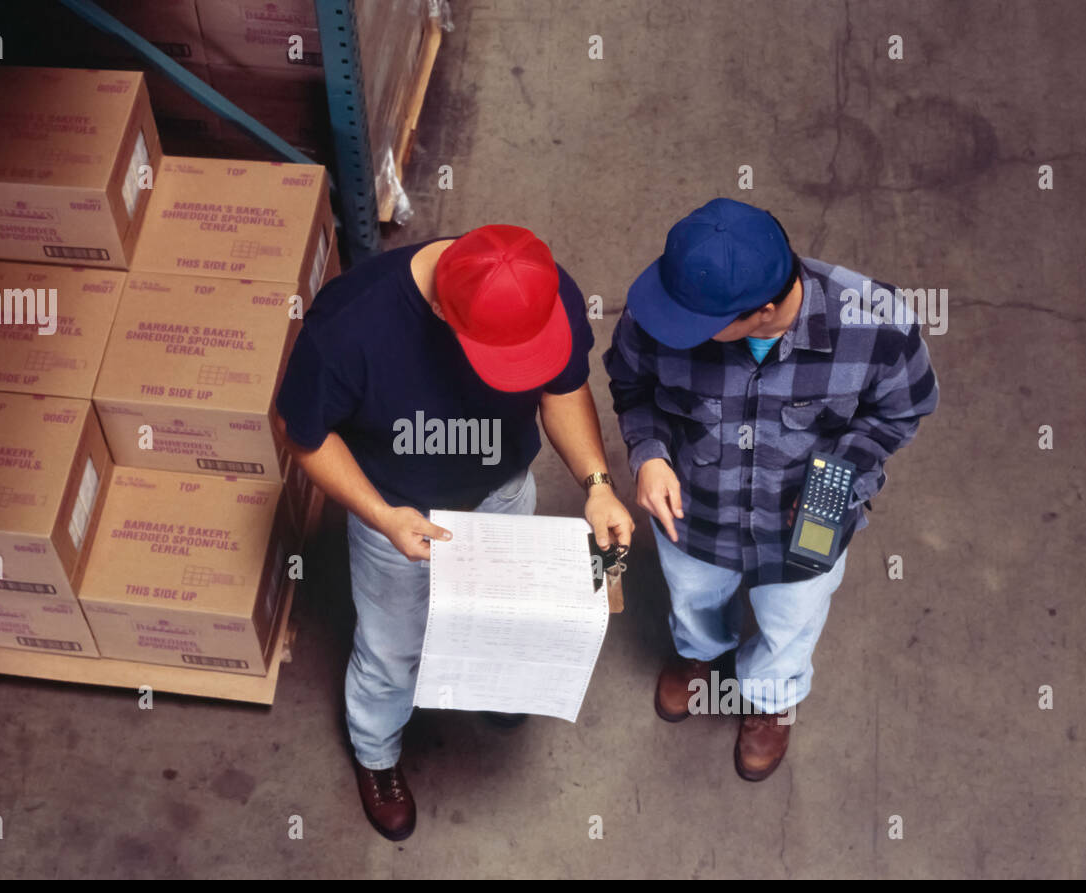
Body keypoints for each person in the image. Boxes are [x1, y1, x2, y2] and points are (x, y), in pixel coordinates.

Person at [274, 224, 634, 839]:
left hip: (503, 490)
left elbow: (563, 388)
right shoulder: (350, 328)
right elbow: (302, 434)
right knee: (393, 651)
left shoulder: (542, 290)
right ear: (441, 307)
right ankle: (377, 753)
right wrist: (381, 515)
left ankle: (493, 686)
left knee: (501, 614)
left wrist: (597, 483)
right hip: (397, 511)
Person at [604, 198, 938, 781]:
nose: (672, 328)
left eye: (700, 326)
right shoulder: (667, 310)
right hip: (694, 513)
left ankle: (769, 701)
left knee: (791, 622)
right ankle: (698, 656)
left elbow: (900, 414)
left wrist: (836, 479)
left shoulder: (877, 323)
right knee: (693, 598)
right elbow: (632, 387)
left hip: (805, 526)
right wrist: (649, 454)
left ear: (761, 311)